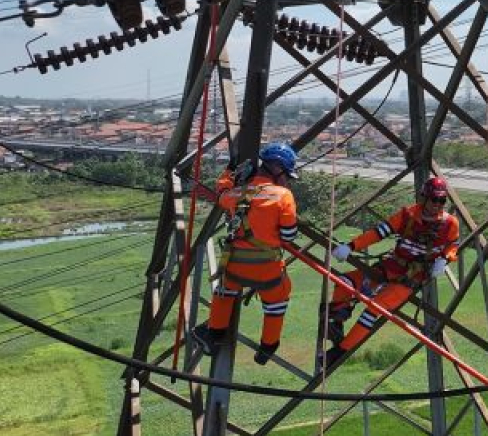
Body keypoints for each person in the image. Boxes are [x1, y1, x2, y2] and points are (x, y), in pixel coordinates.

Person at [323, 176, 460, 370]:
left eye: (442, 200)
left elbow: (453, 244)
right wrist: (351, 246)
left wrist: (445, 258)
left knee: (374, 308)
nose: (437, 204)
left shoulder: (450, 223)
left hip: (412, 277)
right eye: (434, 199)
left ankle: (340, 351)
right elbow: (379, 232)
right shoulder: (407, 215)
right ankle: (337, 322)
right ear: (424, 198)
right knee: (345, 281)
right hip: (391, 266)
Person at [190, 142, 300, 365]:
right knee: (278, 299)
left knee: (224, 290)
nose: (287, 180)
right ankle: (267, 347)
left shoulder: (237, 192)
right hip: (268, 269)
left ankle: (214, 334)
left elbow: (221, 194)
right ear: (277, 169)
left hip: (236, 265)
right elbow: (289, 236)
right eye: (286, 175)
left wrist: (229, 172)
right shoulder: (284, 196)